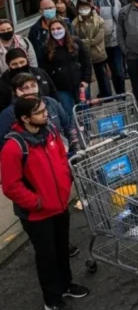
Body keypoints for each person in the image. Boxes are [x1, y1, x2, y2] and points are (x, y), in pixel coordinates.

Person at [1, 96, 90, 309]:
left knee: (61, 248)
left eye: (44, 110)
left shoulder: (50, 132)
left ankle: (66, 285)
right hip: (36, 214)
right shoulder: (13, 147)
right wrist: (37, 202)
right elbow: (11, 187)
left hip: (59, 205)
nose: (46, 114)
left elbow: (61, 157)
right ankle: (52, 300)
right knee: (46, 256)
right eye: (39, 112)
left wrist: (66, 180)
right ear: (25, 118)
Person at [0, 73, 78, 156]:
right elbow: (4, 144)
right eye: (25, 88)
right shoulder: (8, 114)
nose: (31, 91)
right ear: (15, 91)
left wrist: (75, 146)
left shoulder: (51, 102)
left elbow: (69, 127)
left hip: (63, 153)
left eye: (33, 86)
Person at [38, 19, 90, 120]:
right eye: (53, 29)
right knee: (69, 114)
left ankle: (87, 133)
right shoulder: (46, 48)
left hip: (80, 85)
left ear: (65, 29)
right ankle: (74, 134)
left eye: (58, 28)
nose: (56, 31)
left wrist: (86, 80)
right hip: (61, 89)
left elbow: (86, 62)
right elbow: (44, 70)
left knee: (85, 112)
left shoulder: (76, 42)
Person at [86, 0, 125, 95]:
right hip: (95, 45)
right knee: (100, 74)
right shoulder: (83, 2)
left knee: (118, 72)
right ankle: (106, 95)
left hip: (112, 42)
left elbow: (119, 20)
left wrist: (119, 37)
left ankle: (121, 95)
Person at [73, 0, 111, 99]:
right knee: (86, 78)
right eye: (81, 7)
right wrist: (83, 43)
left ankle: (107, 95)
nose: (83, 10)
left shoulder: (99, 20)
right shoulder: (76, 22)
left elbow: (97, 38)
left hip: (98, 53)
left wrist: (83, 42)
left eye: (86, 7)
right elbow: (74, 38)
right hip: (84, 55)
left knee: (102, 77)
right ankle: (86, 98)